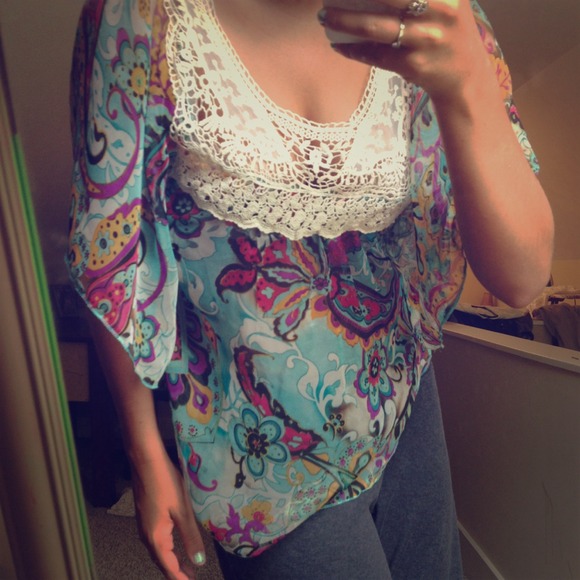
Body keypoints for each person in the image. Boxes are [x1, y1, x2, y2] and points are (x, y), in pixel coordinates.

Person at [66, 0, 553, 578]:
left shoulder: (435, 15)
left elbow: (523, 278)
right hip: (259, 454)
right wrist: (144, 450)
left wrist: (466, 81)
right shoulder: (145, 17)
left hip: (405, 409)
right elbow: (113, 244)